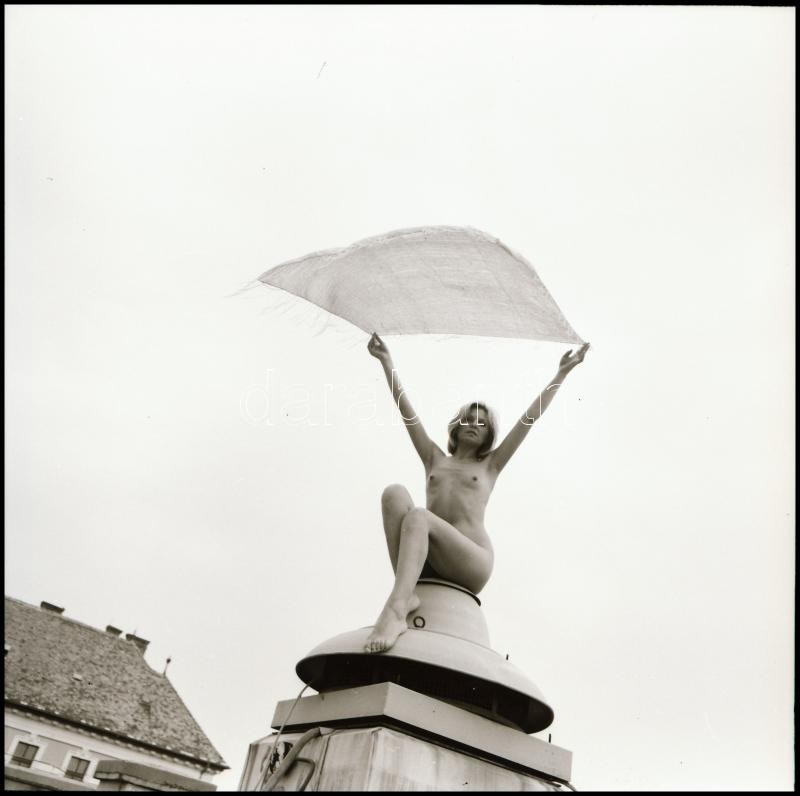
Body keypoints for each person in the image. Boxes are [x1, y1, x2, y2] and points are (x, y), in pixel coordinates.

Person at [364, 332, 590, 653]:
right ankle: (406, 591)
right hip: (432, 557)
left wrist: (562, 373)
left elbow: (529, 419)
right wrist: (387, 362)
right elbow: (407, 413)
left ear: (489, 434)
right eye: (468, 419)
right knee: (394, 494)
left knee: (418, 517)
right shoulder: (434, 459)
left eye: (482, 423)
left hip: (471, 561)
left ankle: (395, 610)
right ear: (456, 427)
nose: (474, 424)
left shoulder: (490, 465)